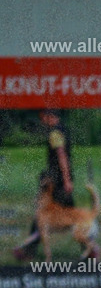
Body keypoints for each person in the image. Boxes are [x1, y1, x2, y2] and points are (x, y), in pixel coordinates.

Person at [13, 110, 78, 262]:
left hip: (56, 182)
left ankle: (28, 251)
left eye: (42, 117)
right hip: (61, 180)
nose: (42, 121)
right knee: (73, 215)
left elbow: (62, 156)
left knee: (43, 216)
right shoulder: (63, 129)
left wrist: (66, 180)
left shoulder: (55, 133)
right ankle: (90, 250)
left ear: (49, 116)